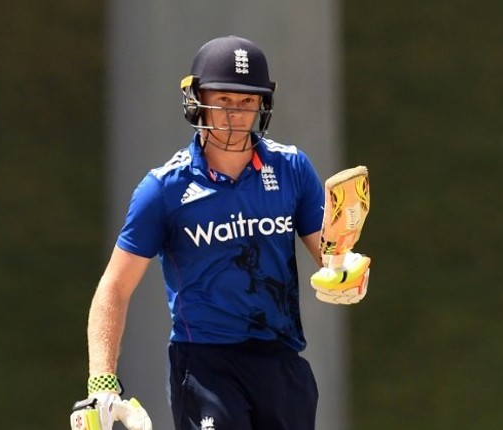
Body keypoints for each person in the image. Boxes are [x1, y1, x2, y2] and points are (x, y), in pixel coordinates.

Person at [78, 35, 370, 430]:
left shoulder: (292, 168)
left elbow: (330, 256)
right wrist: (102, 380)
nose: (234, 115)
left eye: (247, 102)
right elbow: (115, 285)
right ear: (196, 99)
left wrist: (348, 273)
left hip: (281, 360)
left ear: (262, 105)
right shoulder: (164, 188)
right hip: (204, 363)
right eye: (223, 101)